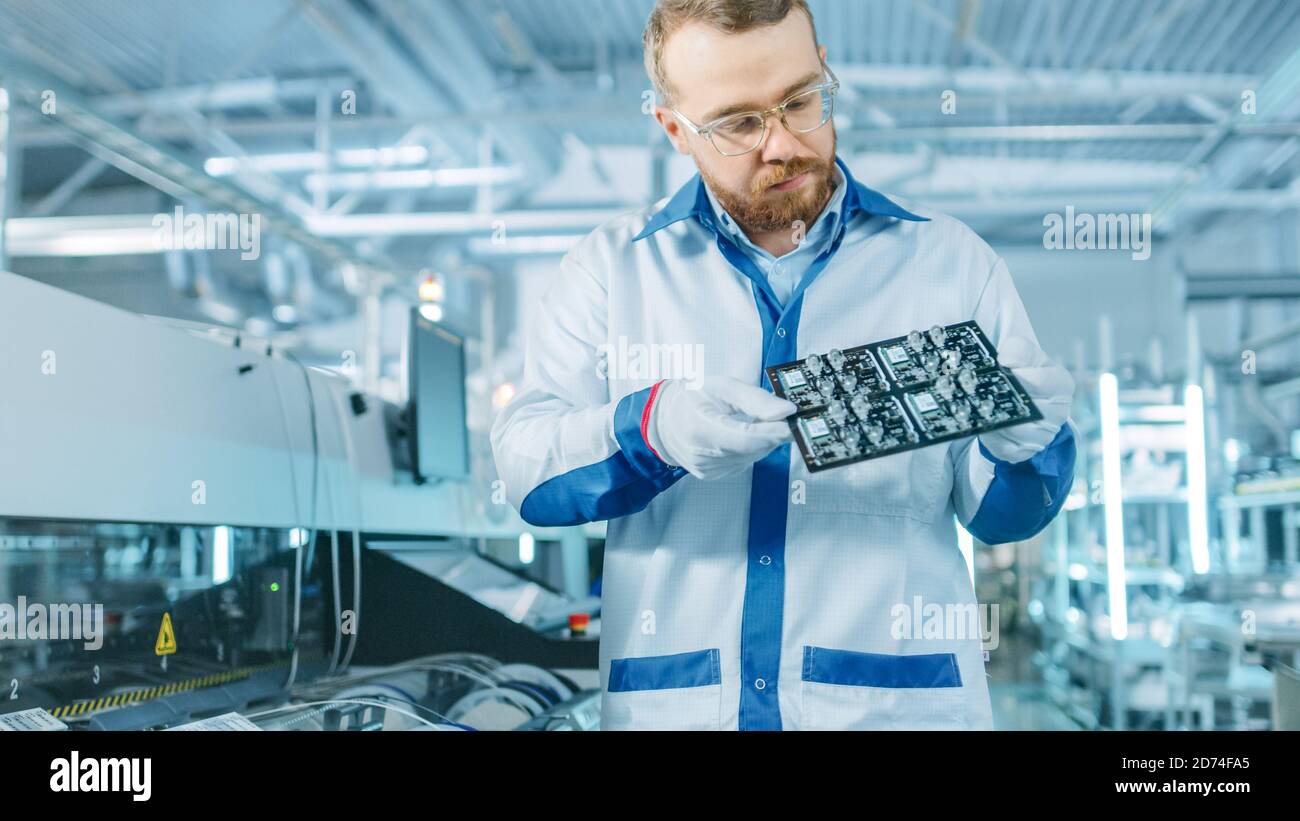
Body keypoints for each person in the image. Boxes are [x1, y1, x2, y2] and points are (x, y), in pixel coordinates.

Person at [491, 0, 1075, 730]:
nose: (783, 145)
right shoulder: (612, 272)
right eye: (738, 123)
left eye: (802, 100)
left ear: (825, 68)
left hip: (897, 708)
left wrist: (1029, 448)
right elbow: (526, 471)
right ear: (675, 128)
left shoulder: (950, 264)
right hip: (678, 707)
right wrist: (653, 428)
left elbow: (997, 514)